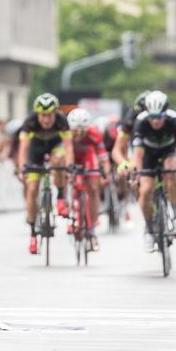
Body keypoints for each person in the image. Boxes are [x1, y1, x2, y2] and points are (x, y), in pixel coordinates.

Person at [16, 93, 74, 255]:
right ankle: (33, 233)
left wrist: (69, 165)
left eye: (49, 116)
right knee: (32, 188)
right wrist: (22, 167)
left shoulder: (62, 121)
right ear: (37, 114)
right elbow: (24, 148)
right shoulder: (30, 122)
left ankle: (61, 196)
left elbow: (69, 147)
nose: (46, 120)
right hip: (36, 150)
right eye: (43, 116)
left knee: (59, 160)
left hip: (56, 147)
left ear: (55, 113)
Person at [131, 91, 176, 252]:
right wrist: (136, 172)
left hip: (168, 151)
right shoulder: (140, 121)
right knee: (146, 190)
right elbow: (138, 153)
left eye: (159, 117)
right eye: (152, 117)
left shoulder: (175, 120)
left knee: (172, 171)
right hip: (148, 153)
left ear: (165, 113)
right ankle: (149, 230)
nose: (155, 121)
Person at [67, 108, 111, 251]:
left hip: (87, 158)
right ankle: (69, 209)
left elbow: (103, 158)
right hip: (71, 158)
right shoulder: (65, 134)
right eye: (76, 130)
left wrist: (105, 172)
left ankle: (91, 229)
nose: (79, 134)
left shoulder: (94, 134)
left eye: (82, 130)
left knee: (93, 188)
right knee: (66, 178)